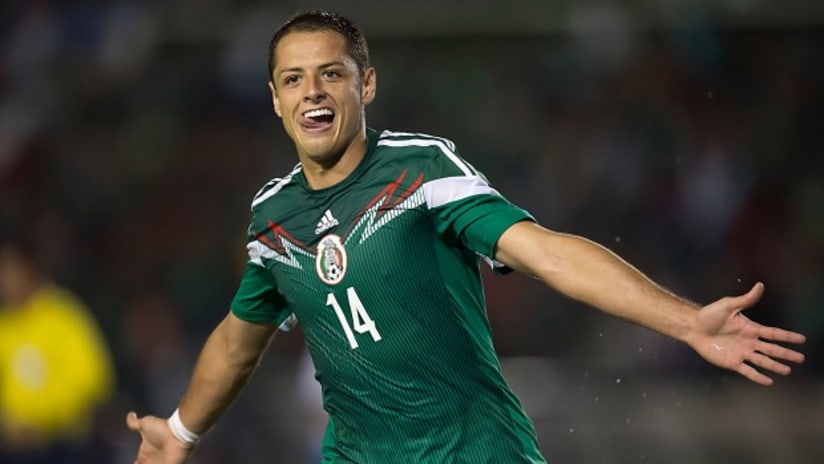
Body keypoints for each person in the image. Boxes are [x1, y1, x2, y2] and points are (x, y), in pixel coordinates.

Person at [126, 9, 806, 463]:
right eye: (293, 79)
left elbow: (546, 253)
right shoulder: (272, 218)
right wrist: (182, 430)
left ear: (366, 83)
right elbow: (238, 342)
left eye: (331, 73)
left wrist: (685, 320)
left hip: (477, 453)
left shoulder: (421, 170)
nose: (313, 93)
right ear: (274, 99)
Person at [0, 239, 115, 464]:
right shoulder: (4, 325)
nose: (5, 281)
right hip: (9, 449)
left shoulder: (62, 316)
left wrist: (42, 421)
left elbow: (90, 378)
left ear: (30, 270)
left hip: (62, 449)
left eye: (10, 271)